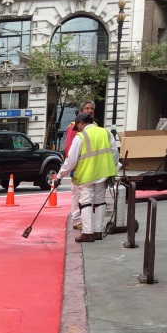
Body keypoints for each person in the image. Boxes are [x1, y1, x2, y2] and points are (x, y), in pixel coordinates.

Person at [56, 112, 118, 242]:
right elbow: (114, 153)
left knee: (85, 202)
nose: (77, 129)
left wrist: (60, 176)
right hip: (103, 173)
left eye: (77, 126)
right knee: (100, 201)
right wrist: (110, 167)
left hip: (87, 175)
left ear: (81, 123)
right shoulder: (105, 133)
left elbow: (71, 160)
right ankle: (98, 231)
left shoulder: (81, 137)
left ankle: (87, 232)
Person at [63, 100, 95, 231]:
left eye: (92, 108)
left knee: (88, 196)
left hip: (91, 167)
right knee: (77, 195)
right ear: (81, 111)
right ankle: (76, 220)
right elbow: (69, 148)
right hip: (79, 167)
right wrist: (71, 166)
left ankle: (85, 220)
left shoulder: (95, 126)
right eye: (87, 108)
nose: (90, 110)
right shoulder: (73, 127)